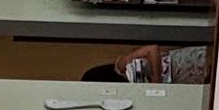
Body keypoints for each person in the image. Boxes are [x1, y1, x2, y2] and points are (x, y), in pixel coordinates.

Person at [81, 42, 210, 85]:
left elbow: (152, 49)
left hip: (178, 63)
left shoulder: (121, 66)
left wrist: (156, 79)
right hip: (178, 80)